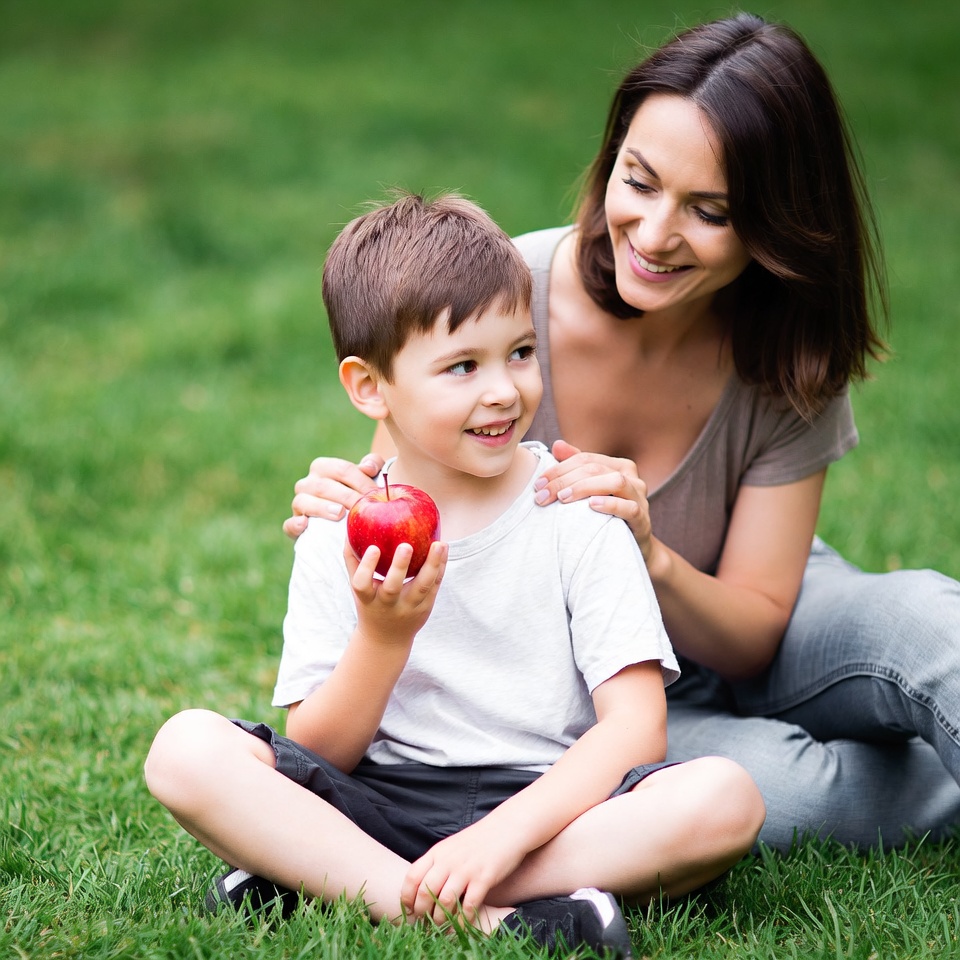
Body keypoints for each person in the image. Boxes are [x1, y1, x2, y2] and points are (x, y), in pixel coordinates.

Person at [282, 13, 960, 854]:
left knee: (938, 628)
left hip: (742, 614)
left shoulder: (787, 351)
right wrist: (350, 492)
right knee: (786, 793)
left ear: (776, 224)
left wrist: (651, 552)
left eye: (708, 210)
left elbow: (754, 637)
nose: (654, 233)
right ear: (611, 160)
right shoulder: (498, 298)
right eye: (638, 182)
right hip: (583, 693)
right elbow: (415, 495)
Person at [145, 192, 764, 958]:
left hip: (547, 809)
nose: (503, 390)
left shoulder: (577, 510)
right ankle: (506, 918)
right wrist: (382, 637)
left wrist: (500, 838)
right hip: (380, 799)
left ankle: (328, 880)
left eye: (520, 352)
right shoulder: (342, 525)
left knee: (723, 800)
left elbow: (637, 728)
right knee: (183, 749)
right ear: (370, 388)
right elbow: (323, 748)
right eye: (462, 366)